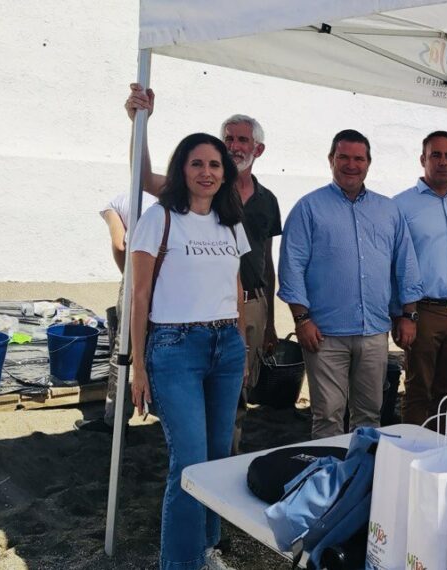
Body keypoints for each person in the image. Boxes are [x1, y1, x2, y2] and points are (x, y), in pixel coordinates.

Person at [124, 85, 283, 454]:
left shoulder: (260, 202)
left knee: (235, 406)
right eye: (229, 138)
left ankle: (225, 462)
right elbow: (144, 178)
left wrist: (269, 321)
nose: (234, 146)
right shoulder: (185, 198)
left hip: (244, 311)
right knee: (193, 445)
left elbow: (264, 262)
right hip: (186, 327)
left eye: (243, 140)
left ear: (257, 149)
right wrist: (139, 123)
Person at [128, 133, 250, 570]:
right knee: (190, 463)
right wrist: (138, 365)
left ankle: (206, 548)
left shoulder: (230, 222)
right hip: (174, 348)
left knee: (218, 459)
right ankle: (181, 564)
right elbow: (139, 295)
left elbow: (236, 287)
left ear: (225, 173)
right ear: (182, 169)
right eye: (197, 163)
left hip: (226, 347)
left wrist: (241, 343)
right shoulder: (159, 218)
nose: (207, 172)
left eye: (215, 165)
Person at [278, 129, 423, 439]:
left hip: (374, 332)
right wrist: (301, 320)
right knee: (328, 416)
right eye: (343, 157)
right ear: (331, 159)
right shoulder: (308, 208)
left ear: (369, 163)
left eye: (359, 158)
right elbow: (291, 265)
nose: (351, 165)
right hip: (324, 334)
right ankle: (328, 469)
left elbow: (405, 264)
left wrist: (408, 315)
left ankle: (362, 468)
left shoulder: (388, 210)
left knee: (370, 415)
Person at [393, 131, 447, 427]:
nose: (443, 162)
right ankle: (413, 448)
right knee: (418, 390)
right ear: (422, 159)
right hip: (423, 312)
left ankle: (439, 446)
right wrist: (401, 315)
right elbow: (394, 263)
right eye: (435, 155)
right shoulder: (402, 205)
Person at [74, 188, 156, 433]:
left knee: (123, 350)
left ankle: (115, 420)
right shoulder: (164, 200)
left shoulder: (113, 205)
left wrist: (128, 278)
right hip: (169, 278)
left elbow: (120, 245)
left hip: (138, 274)